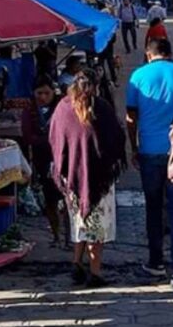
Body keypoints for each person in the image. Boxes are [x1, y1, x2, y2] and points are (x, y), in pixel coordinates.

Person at [49, 70, 126, 287]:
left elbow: (55, 138)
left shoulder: (63, 107)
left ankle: (77, 262)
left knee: (79, 221)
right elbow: (116, 139)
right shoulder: (102, 108)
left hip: (72, 177)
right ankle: (95, 271)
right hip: (99, 178)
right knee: (96, 227)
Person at [126, 38, 173, 286]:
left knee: (153, 209)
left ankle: (155, 261)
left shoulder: (137, 77)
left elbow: (131, 117)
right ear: (169, 52)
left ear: (148, 54)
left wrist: (133, 147)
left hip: (150, 152)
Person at [22, 77, 64, 244]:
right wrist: (48, 139)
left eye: (47, 93)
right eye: (39, 93)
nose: (43, 97)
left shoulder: (62, 108)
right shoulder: (29, 111)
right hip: (42, 161)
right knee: (50, 199)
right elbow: (27, 136)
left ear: (53, 92)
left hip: (63, 159)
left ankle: (70, 237)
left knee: (67, 199)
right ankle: (56, 235)